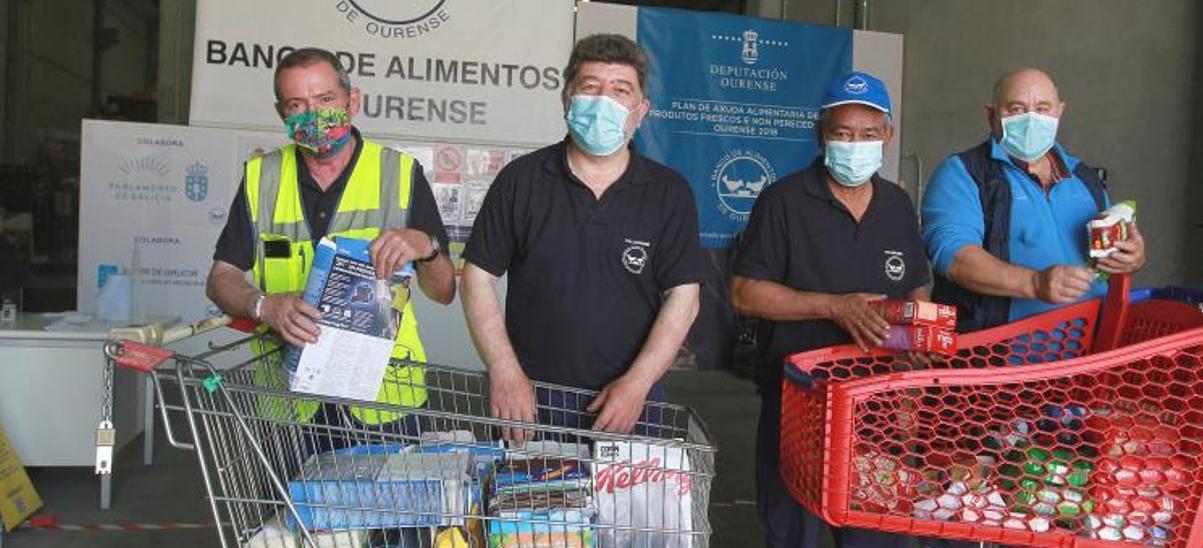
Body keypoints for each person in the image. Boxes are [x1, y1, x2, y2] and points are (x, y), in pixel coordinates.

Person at [460, 34, 705, 439]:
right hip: (531, 398)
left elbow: (684, 297)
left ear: (641, 111)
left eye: (620, 90)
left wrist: (638, 384)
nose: (603, 101)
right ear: (567, 99)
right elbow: (477, 278)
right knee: (528, 502)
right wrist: (504, 371)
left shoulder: (668, 192)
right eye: (590, 87)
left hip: (630, 402)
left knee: (627, 506)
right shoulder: (521, 182)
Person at [206, 47, 456, 431]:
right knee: (282, 495)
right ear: (281, 113)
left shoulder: (400, 173)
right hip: (288, 402)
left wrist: (428, 246)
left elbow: (443, 292)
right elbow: (221, 278)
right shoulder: (261, 177)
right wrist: (262, 305)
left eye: (326, 100)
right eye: (297, 105)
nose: (315, 116)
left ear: (352, 100)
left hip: (384, 401)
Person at [732, 71, 926, 548]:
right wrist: (834, 307)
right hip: (801, 401)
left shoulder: (897, 205)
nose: (854, 145)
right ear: (821, 135)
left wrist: (912, 369)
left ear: (887, 136)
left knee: (876, 532)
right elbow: (745, 293)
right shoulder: (784, 201)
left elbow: (917, 289)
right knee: (792, 531)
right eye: (841, 134)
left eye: (866, 135)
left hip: (877, 407)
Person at [922, 68, 1146, 333]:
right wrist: (1034, 283)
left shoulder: (1082, 176)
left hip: (1089, 354)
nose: (1031, 120)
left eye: (1042, 108)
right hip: (997, 359)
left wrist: (1130, 257)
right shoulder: (963, 174)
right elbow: (956, 260)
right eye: (1017, 109)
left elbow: (1104, 254)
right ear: (991, 114)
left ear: (1059, 112)